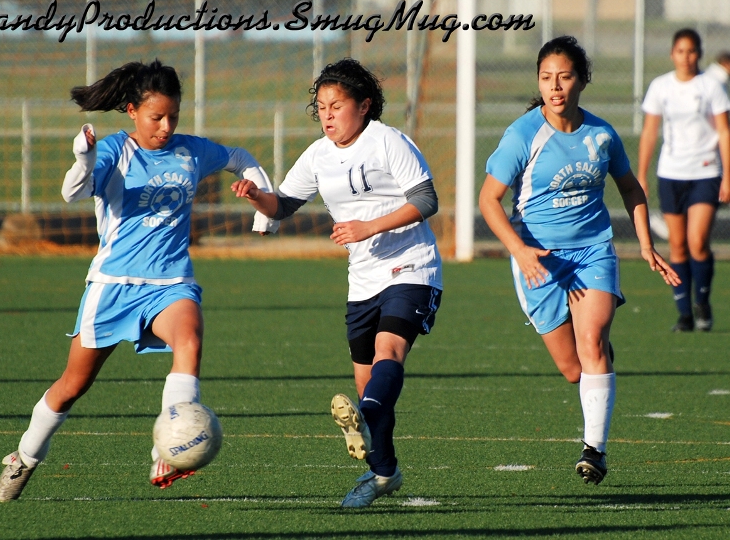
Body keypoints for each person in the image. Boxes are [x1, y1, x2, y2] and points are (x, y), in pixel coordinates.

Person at [0, 59, 278, 502]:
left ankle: (166, 449)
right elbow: (72, 191)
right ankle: (24, 456)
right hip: (113, 285)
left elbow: (240, 158)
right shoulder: (115, 150)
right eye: (156, 117)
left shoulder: (191, 151)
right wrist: (84, 157)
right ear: (132, 111)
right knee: (72, 386)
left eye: (173, 116)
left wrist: (264, 206)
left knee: (190, 341)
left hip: (171, 282)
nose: (166, 127)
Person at [232, 58, 442, 508]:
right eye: (321, 107)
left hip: (411, 267)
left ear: (364, 106)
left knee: (389, 353)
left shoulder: (386, 141)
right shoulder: (318, 155)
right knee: (369, 386)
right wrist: (257, 197)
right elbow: (282, 206)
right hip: (362, 281)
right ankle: (384, 472)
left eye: (337, 106)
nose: (327, 115)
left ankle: (364, 420)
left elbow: (426, 199)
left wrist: (369, 227)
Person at [479, 36, 680, 486]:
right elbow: (488, 200)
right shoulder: (522, 135)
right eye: (546, 78)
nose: (555, 87)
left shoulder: (602, 134)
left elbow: (631, 189)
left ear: (582, 80)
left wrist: (646, 245)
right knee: (574, 369)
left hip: (593, 250)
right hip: (538, 260)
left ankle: (595, 451)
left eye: (565, 77)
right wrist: (519, 250)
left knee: (591, 341)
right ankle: (598, 359)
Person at [638, 29, 730, 332]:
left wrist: (728, 176)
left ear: (699, 54)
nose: (686, 57)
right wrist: (641, 175)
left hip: (705, 172)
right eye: (680, 51)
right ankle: (684, 313)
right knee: (677, 246)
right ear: (672, 54)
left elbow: (724, 131)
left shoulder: (711, 86)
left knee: (697, 243)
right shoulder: (661, 86)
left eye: (691, 51)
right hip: (671, 174)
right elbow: (649, 132)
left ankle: (702, 304)